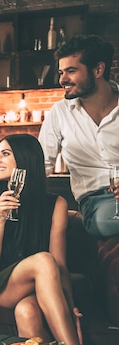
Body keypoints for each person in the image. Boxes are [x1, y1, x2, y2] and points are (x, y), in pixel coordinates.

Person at [0, 133, 82, 345]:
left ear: (25, 159)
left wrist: (70, 307)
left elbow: (60, 265)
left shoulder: (56, 204)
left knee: (27, 312)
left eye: (5, 154)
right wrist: (1, 219)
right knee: (43, 259)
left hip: (38, 286)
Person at [38, 34, 119, 238]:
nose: (62, 79)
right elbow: (40, 166)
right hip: (96, 204)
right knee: (105, 220)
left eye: (71, 71)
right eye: (61, 72)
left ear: (98, 70)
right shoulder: (59, 113)